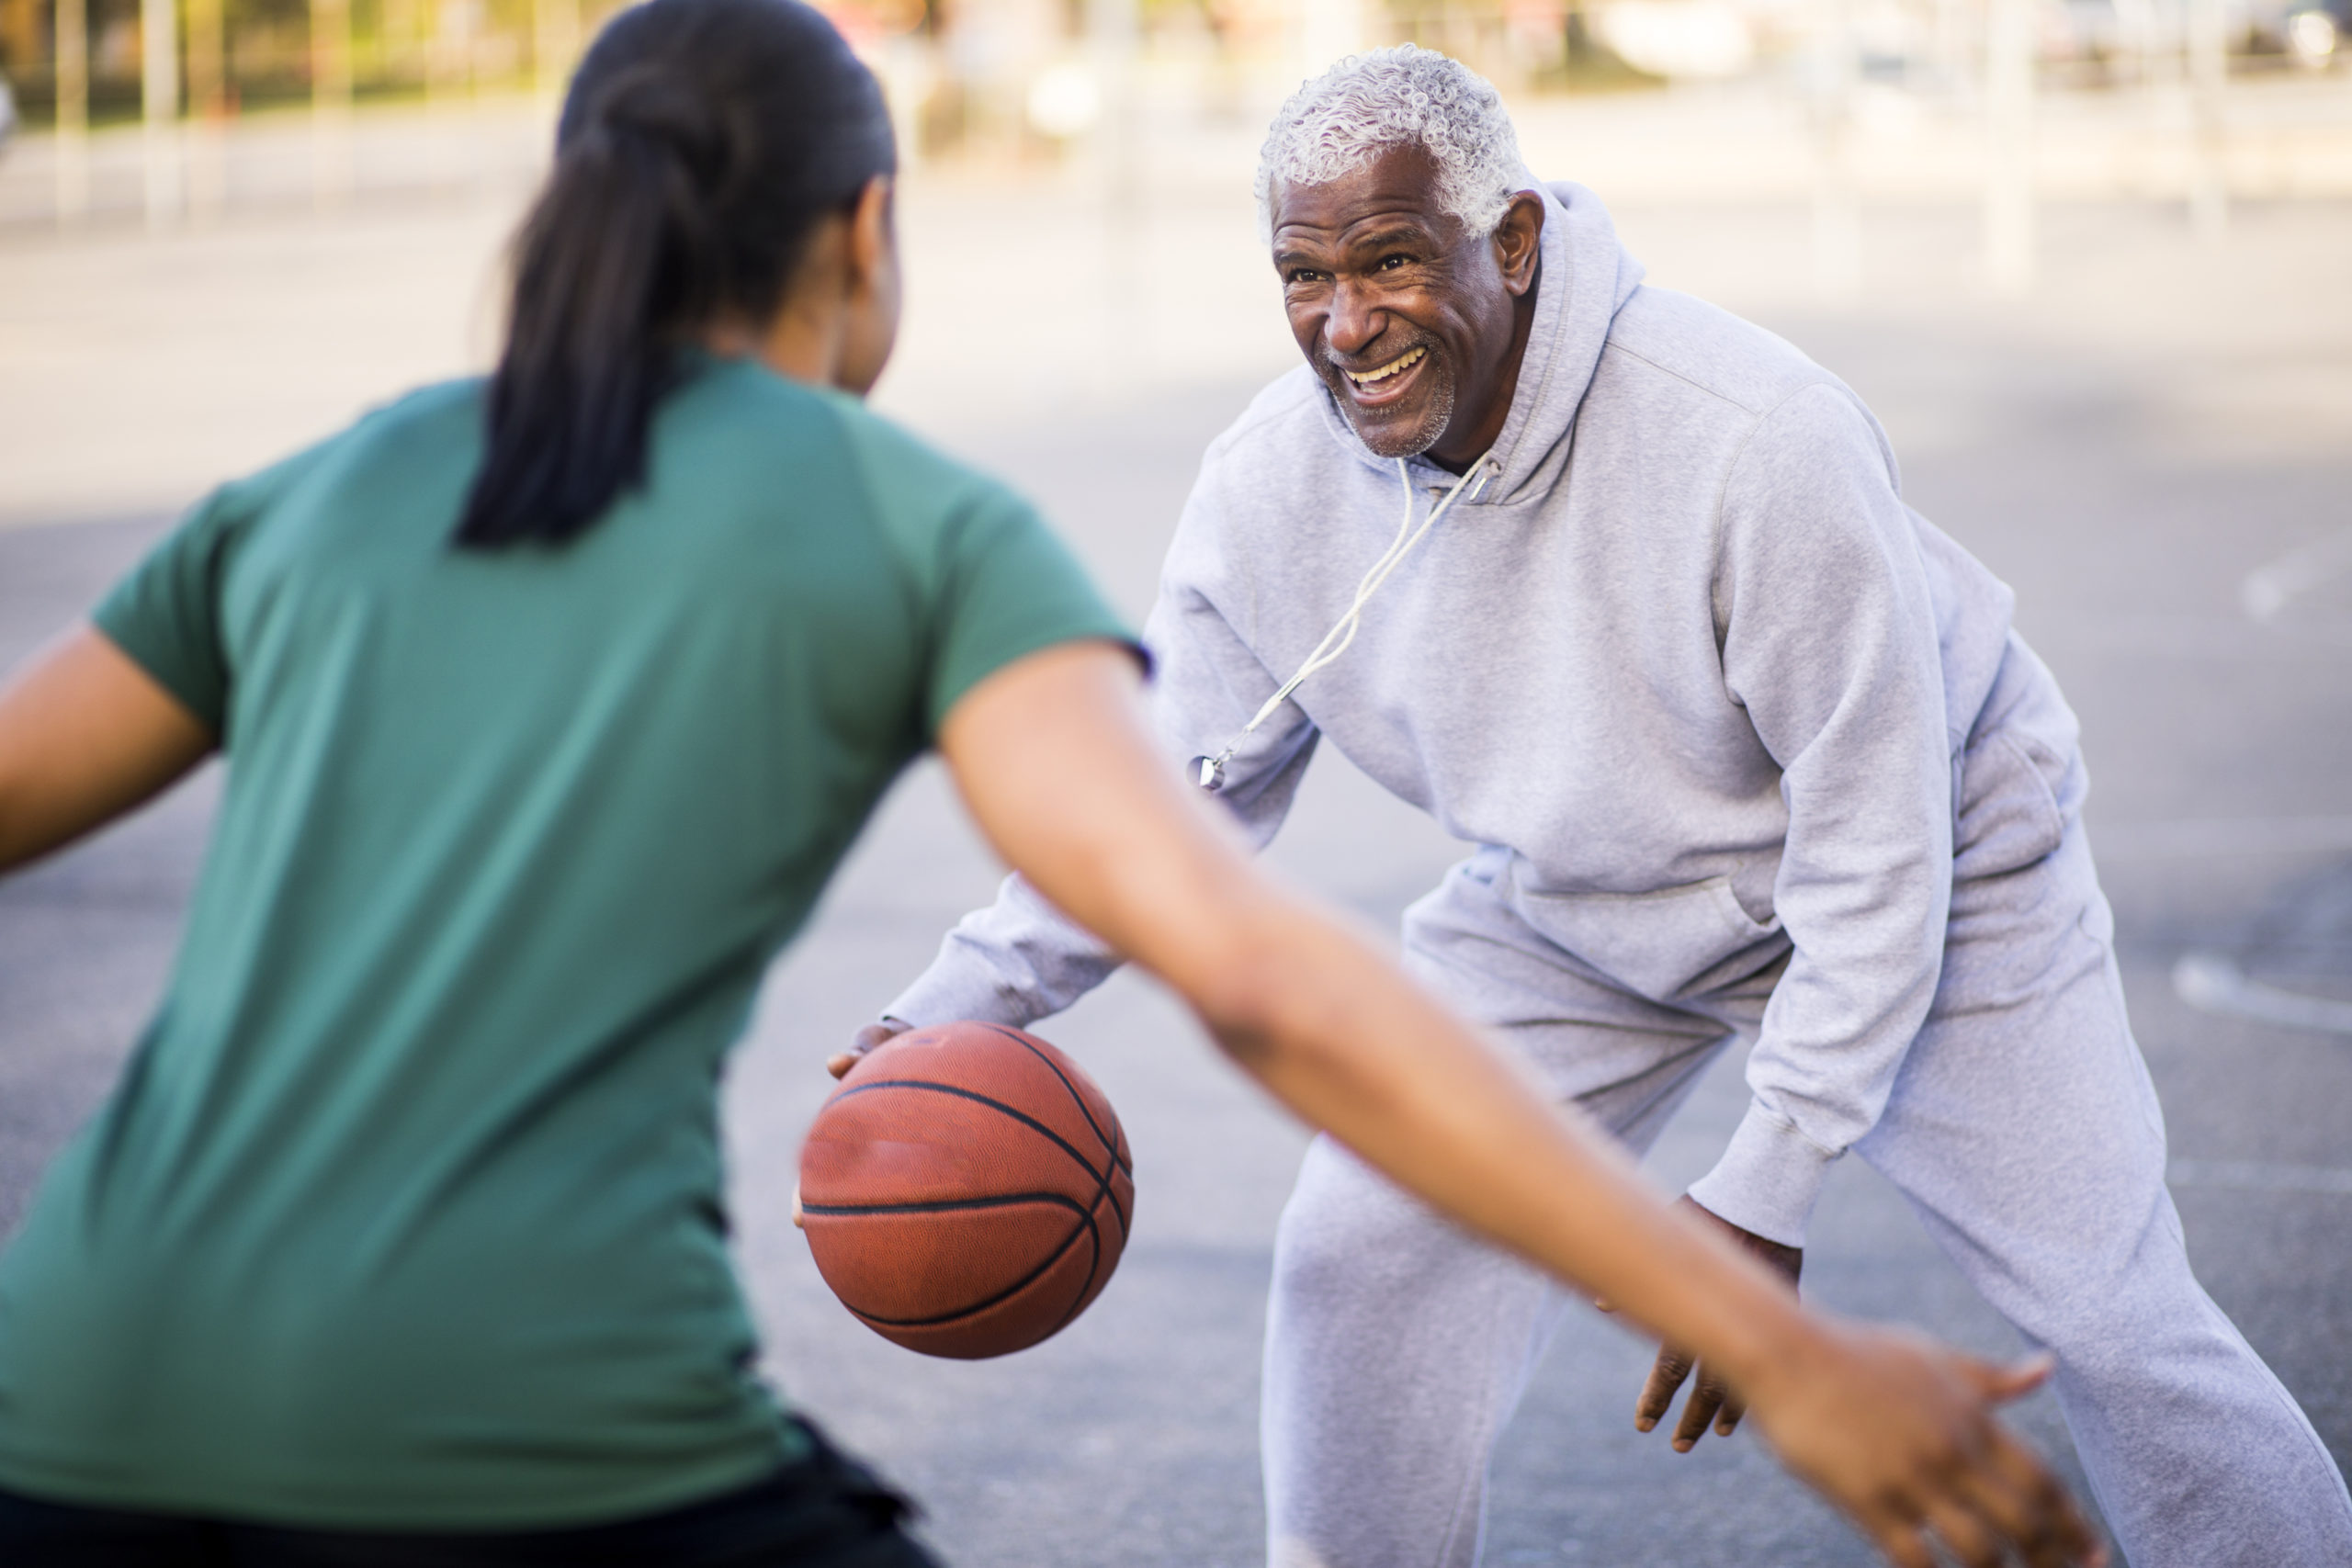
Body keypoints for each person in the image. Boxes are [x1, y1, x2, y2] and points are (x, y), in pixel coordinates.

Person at [0, 3, 2098, 1564]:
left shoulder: (317, 487)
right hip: (540, 1423)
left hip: (74, 1392)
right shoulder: (899, 520)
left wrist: (965, 1000)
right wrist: (1769, 1328)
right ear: (867, 231)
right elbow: (1251, 962)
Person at [859, 44, 2352, 1568]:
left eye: (1390, 258)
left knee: (2113, 1314)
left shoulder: (1757, 439)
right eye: (1302, 275)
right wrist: (953, 1011)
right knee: (1361, 1246)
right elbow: (1167, 801)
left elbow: (1875, 845)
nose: (1344, 321)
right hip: (1578, 909)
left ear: (1510, 242)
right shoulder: (1271, 496)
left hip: (1945, 867)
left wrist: (1763, 1192)